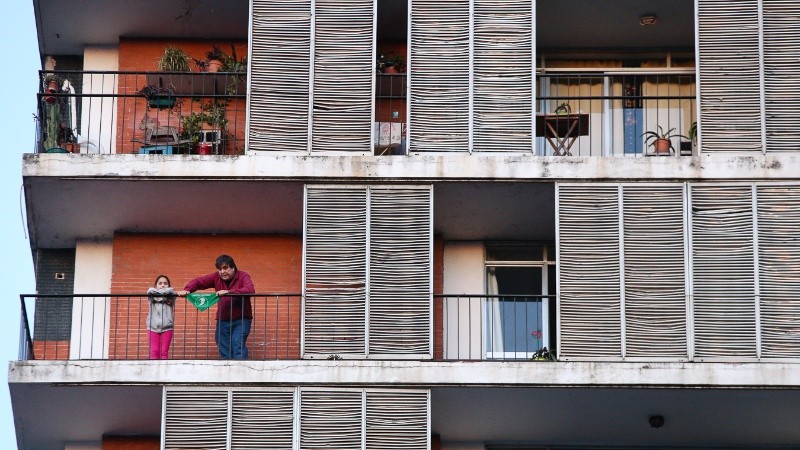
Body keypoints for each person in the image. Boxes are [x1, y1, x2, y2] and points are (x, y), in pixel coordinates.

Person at [178, 255, 255, 359]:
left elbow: (250, 290)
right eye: (219, 269)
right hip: (223, 320)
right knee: (223, 346)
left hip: (241, 320)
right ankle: (227, 372)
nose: (222, 272)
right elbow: (198, 282)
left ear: (233, 268)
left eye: (225, 268)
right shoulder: (216, 277)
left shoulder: (243, 276)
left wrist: (228, 292)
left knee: (238, 344)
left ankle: (239, 373)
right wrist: (187, 289)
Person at [146, 275, 177, 360]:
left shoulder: (171, 295)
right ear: (156, 286)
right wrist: (164, 296)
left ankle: (163, 373)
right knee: (154, 352)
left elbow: (171, 291)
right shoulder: (151, 293)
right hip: (152, 327)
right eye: (160, 283)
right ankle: (154, 373)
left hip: (167, 327)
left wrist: (159, 295)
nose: (163, 285)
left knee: (164, 353)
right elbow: (150, 291)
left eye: (165, 283)